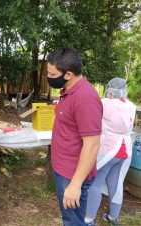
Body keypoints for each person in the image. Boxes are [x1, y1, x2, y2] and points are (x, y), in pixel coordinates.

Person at [47, 47, 103, 226]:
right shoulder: (68, 90)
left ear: (68, 74)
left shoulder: (85, 98)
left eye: (51, 73)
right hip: (64, 171)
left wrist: (76, 184)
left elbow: (92, 145)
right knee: (69, 219)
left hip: (72, 176)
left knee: (73, 222)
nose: (48, 76)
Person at [85, 78, 136, 226]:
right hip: (125, 149)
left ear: (109, 90)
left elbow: (88, 105)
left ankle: (88, 219)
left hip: (108, 149)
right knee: (116, 183)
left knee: (95, 182)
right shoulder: (131, 105)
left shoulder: (105, 103)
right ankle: (113, 217)